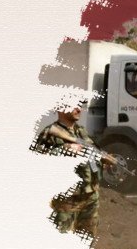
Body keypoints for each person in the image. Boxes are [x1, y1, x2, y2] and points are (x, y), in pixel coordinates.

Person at [34, 101, 115, 236]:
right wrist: (64, 149)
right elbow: (37, 159)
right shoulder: (49, 132)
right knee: (62, 240)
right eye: (74, 105)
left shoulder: (81, 131)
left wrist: (103, 161)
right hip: (67, 199)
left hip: (90, 194)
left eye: (80, 105)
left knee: (87, 239)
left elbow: (91, 153)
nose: (79, 109)